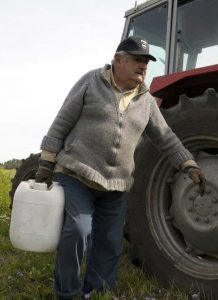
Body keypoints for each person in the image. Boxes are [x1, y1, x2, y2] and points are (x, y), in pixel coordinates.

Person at [35, 36, 206, 300]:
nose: (143, 66)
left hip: (117, 185)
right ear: (118, 59)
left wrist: (187, 162)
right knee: (78, 231)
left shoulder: (146, 101)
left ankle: (97, 292)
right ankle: (67, 293)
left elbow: (165, 136)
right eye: (138, 60)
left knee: (110, 244)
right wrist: (47, 160)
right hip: (77, 174)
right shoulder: (91, 82)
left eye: (147, 62)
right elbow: (61, 122)